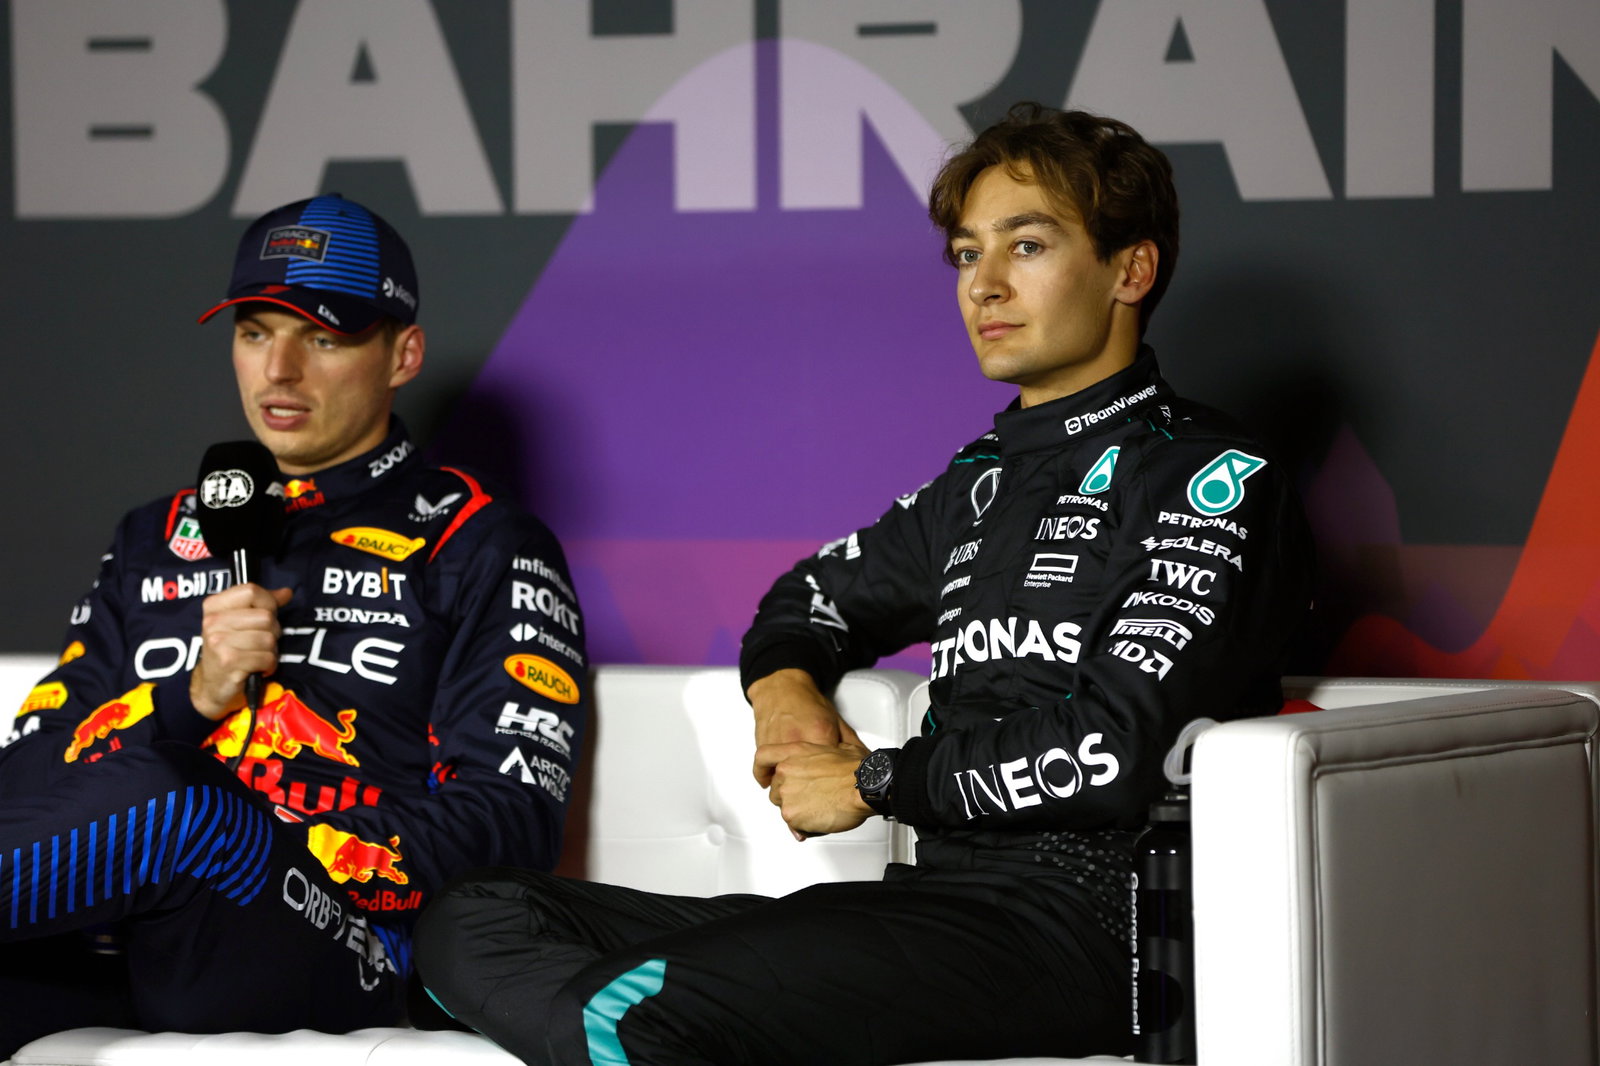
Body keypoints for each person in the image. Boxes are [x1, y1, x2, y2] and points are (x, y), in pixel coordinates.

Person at [415, 104, 1314, 1064]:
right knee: (473, 916)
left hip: (1080, 924)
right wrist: (788, 698)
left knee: (627, 1011)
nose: (988, 286)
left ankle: (628, 1028)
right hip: (932, 908)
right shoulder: (976, 484)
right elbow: (801, 603)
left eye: (1029, 245)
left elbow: (1112, 748)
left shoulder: (1213, 473)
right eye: (968, 255)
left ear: (1129, 270)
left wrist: (877, 779)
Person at [0, 194, 588, 1055]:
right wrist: (190, 700)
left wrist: (283, 843)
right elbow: (28, 783)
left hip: (331, 936)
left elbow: (510, 822)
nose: (278, 371)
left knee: (182, 806)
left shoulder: (478, 540)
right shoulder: (152, 537)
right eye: (254, 332)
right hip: (101, 932)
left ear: (402, 354)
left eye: (323, 338)